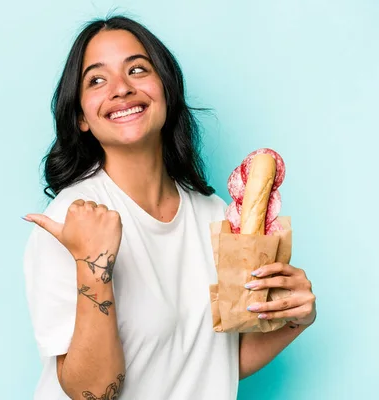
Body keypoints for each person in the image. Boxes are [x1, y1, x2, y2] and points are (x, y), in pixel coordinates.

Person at [22, 16, 317, 399]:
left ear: (166, 88)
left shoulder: (216, 216)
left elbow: (214, 362)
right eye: (97, 80)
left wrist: (297, 319)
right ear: (80, 116)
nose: (121, 89)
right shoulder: (71, 220)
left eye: (137, 70)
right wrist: (92, 268)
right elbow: (93, 393)